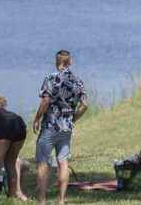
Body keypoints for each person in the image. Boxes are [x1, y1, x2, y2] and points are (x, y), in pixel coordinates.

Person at [33, 50, 88, 205]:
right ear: (69, 62)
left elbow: (45, 101)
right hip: (67, 128)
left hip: (50, 126)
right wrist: (72, 118)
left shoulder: (51, 78)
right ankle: (62, 200)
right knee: (63, 161)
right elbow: (85, 105)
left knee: (43, 162)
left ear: (57, 62)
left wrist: (37, 119)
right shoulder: (77, 81)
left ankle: (42, 200)